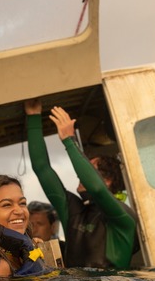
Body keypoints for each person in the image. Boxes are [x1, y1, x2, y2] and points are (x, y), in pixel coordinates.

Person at [25, 99, 138, 269]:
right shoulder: (74, 211)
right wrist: (33, 117)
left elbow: (98, 190)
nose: (80, 173)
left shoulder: (123, 218)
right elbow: (42, 169)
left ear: (108, 181)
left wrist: (69, 141)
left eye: (89, 169)